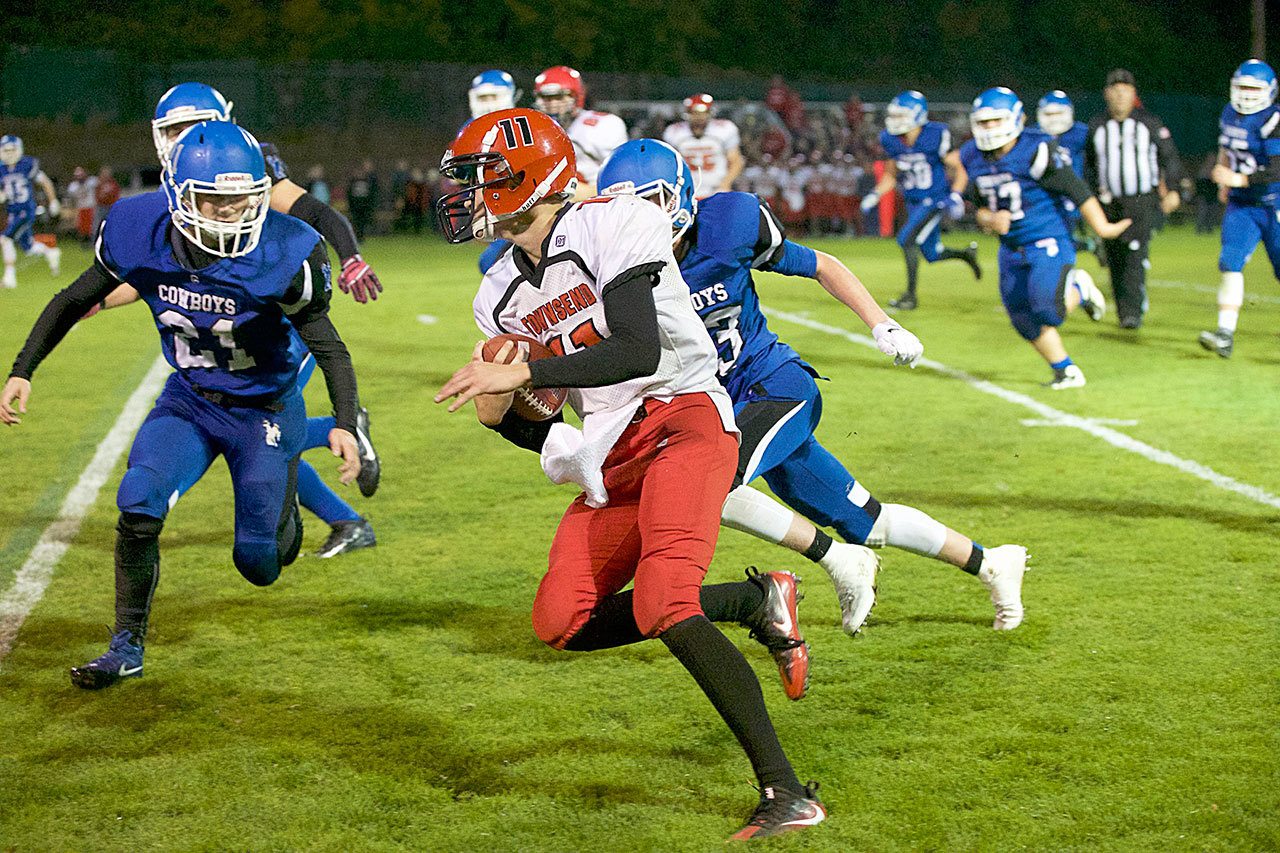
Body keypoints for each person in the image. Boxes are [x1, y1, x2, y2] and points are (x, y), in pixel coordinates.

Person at [434, 108, 826, 840]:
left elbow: (637, 349)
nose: (466, 195)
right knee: (561, 621)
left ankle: (786, 791)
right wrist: (512, 417)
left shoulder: (615, 221)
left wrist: (526, 365)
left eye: (481, 178)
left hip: (685, 419)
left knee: (665, 603)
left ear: (528, 178)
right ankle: (754, 599)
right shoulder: (496, 291)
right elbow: (538, 416)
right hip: (613, 447)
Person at [599, 139, 1032, 634]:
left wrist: (881, 325)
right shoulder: (614, 265)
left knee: (706, 483)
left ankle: (837, 561)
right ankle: (992, 564)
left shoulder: (728, 226)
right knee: (868, 522)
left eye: (648, 202)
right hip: (716, 406)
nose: (638, 219)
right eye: (623, 206)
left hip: (772, 387)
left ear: (680, 195)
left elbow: (821, 263)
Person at [1, 121, 364, 688]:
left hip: (265, 409)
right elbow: (74, 297)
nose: (232, 213)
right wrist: (23, 369)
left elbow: (328, 345)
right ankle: (126, 647)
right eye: (215, 200)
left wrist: (344, 419)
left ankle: (289, 486)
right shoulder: (137, 228)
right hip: (190, 400)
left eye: (243, 198)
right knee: (138, 498)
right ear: (178, 194)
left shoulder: (286, 250)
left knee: (260, 565)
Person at [149, 82, 382, 555]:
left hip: (279, 331)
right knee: (258, 437)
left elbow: (316, 213)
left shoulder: (240, 169)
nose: (184, 139)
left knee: (261, 432)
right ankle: (347, 517)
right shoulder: (179, 179)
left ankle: (348, 438)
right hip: (229, 331)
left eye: (193, 128)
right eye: (173, 130)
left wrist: (350, 256)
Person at [961, 87, 1131, 389]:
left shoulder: (1035, 149)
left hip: (1046, 240)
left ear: (1016, 119)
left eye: (996, 121)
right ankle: (1065, 370)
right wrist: (989, 218)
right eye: (984, 122)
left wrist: (1102, 228)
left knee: (1048, 311)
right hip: (1010, 247)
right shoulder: (972, 155)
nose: (989, 129)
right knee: (1022, 319)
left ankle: (1079, 285)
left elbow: (1076, 189)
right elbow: (977, 207)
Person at [860, 92, 981, 310]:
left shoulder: (935, 135)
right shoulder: (891, 140)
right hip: (913, 201)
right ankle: (966, 255)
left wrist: (955, 195)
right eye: (894, 116)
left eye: (901, 116)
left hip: (934, 199)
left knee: (905, 240)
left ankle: (910, 297)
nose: (895, 121)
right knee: (932, 254)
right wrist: (875, 194)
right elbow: (890, 174)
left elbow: (959, 167)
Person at [1084, 69, 1183, 329]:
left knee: (1134, 255)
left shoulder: (1149, 123)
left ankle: (1132, 312)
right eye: (1114, 89)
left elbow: (1169, 157)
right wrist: (1092, 197)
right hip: (1109, 202)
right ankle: (1125, 309)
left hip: (1141, 200)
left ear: (1133, 94)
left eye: (1125, 89)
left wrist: (1173, 189)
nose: (1119, 94)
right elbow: (1090, 167)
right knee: (1115, 257)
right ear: (1107, 94)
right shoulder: (1096, 126)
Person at [1199, 60, 1280, 358]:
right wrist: (1224, 174)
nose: (1246, 95)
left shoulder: (1273, 119)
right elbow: (1226, 148)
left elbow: (1277, 169)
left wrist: (1238, 178)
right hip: (1243, 204)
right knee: (1230, 262)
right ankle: (1225, 333)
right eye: (1242, 87)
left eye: (1253, 89)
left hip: (1274, 203)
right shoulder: (1229, 113)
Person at [0, 134, 62, 289]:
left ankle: (9, 278)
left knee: (5, 239)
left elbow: (45, 182)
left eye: (11, 150)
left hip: (26, 210)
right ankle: (50, 252)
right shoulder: (2, 169)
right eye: (5, 150)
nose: (9, 153)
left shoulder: (27, 164)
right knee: (28, 247)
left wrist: (53, 200)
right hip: (12, 211)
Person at [1034, 91, 1092, 251]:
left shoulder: (1081, 133)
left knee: (1061, 238)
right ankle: (1089, 246)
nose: (1054, 118)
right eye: (1049, 114)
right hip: (1043, 194)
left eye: (1058, 113)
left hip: (1072, 193)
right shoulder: (1033, 136)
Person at [663, 93, 745, 198]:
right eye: (695, 113)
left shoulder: (724, 129)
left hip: (716, 189)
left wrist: (725, 184)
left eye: (703, 113)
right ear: (687, 114)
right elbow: (668, 165)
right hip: (686, 192)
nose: (699, 118)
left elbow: (736, 161)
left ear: (710, 113)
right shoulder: (674, 132)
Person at [346, 160, 378, 243]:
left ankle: (361, 238)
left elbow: (370, 194)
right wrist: (351, 205)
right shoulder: (353, 182)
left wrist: (369, 204)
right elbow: (349, 195)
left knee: (363, 222)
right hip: (355, 206)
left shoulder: (367, 182)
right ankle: (356, 237)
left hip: (364, 206)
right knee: (356, 222)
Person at [66, 166, 98, 244]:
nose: (80, 177)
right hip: (81, 207)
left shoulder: (92, 181)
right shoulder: (73, 186)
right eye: (78, 176)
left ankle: (93, 241)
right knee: (82, 227)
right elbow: (71, 199)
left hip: (91, 207)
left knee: (92, 226)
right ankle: (84, 242)